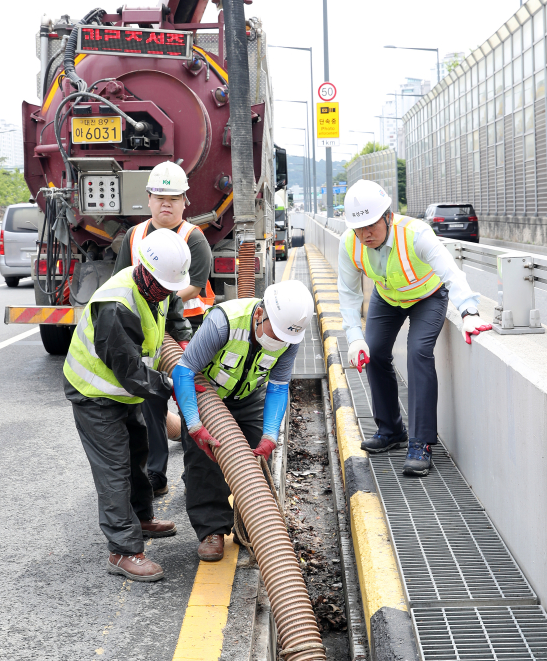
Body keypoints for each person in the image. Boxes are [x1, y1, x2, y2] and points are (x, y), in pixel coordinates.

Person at [338, 179, 492, 477]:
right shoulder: (350, 243)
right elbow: (348, 294)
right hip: (388, 298)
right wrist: (354, 338)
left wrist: (469, 312)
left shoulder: (416, 234)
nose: (365, 234)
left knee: (418, 351)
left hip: (428, 296)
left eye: (371, 225)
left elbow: (451, 272)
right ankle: (391, 430)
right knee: (375, 352)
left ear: (387, 216)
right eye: (359, 228)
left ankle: (420, 443)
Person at [63, 228, 192, 581]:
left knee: (139, 452)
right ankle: (122, 551)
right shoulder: (117, 305)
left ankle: (141, 519)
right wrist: (172, 386)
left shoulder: (159, 286)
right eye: (164, 286)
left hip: (123, 392)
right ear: (145, 271)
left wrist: (188, 358)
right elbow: (130, 372)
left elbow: (176, 322)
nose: (168, 293)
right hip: (95, 394)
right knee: (114, 469)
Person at [172, 281, 314, 562]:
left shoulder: (290, 337)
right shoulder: (223, 322)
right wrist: (193, 423)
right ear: (261, 313)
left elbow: (278, 385)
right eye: (277, 332)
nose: (280, 341)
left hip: (249, 396)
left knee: (252, 460)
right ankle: (211, 530)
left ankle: (248, 521)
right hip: (208, 394)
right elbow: (184, 370)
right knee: (205, 460)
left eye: (287, 336)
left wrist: (270, 434)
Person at [113, 161, 214, 497]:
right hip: (145, 336)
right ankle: (155, 473)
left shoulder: (193, 238)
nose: (166, 203)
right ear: (149, 199)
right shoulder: (134, 236)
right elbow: (120, 283)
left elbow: (194, 287)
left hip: (189, 334)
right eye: (159, 196)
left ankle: (195, 472)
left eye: (174, 197)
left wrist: (155, 298)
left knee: (192, 402)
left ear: (186, 201)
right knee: (149, 403)